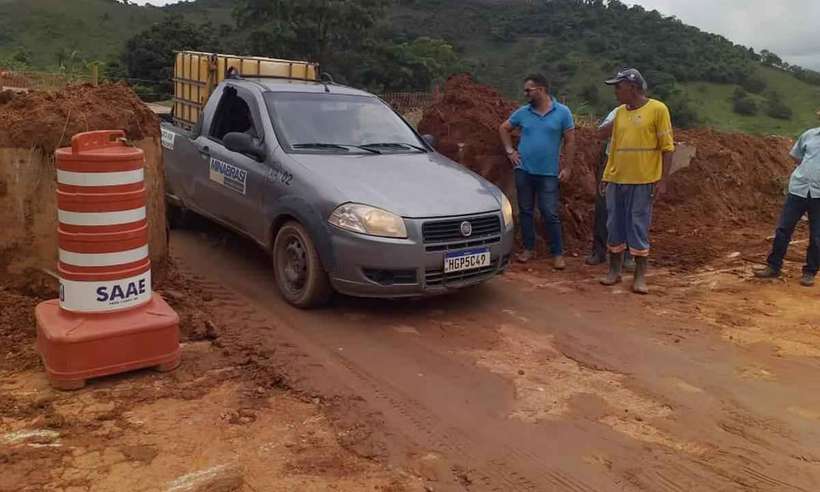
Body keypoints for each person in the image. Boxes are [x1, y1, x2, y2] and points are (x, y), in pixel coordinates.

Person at [599, 68, 674, 294]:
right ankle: (614, 271)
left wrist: (663, 181)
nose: (615, 92)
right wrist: (606, 176)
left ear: (633, 87)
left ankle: (640, 276)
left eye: (618, 87)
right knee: (614, 226)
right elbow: (611, 145)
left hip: (643, 181)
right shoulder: (620, 112)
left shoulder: (658, 109)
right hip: (616, 179)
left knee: (638, 226)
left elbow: (667, 148)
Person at [499, 74, 576, 269]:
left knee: (549, 212)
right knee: (525, 211)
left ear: (541, 90)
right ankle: (528, 249)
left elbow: (570, 141)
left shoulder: (563, 112)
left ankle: (557, 253)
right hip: (523, 170)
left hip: (548, 173)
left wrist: (567, 167)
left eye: (528, 90)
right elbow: (503, 128)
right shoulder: (523, 112)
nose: (525, 94)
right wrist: (510, 151)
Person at [753, 118, 820, 287]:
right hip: (798, 189)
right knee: (783, 229)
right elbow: (796, 156)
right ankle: (773, 266)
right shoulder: (809, 135)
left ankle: (810, 272)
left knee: (817, 236)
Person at [586, 106, 635, 272]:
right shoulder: (618, 112)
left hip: (636, 166)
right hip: (611, 162)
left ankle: (629, 255)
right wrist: (621, 118)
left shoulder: (652, 112)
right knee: (603, 208)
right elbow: (601, 133)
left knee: (631, 211)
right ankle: (599, 252)